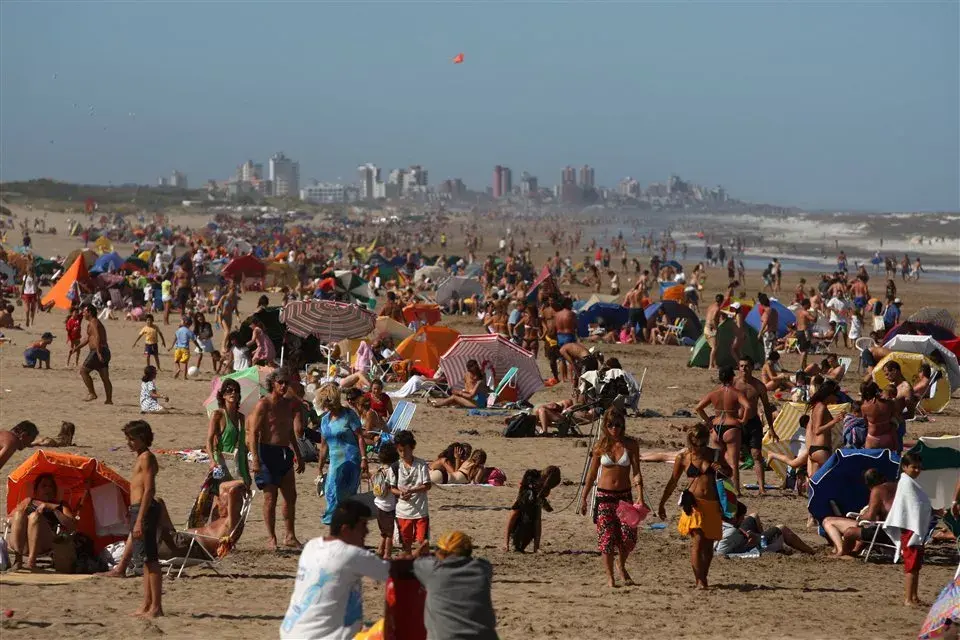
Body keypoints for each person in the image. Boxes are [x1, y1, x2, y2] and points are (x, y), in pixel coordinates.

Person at [279, 501, 390, 640]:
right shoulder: (350, 554)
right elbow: (394, 573)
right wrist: (413, 559)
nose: (366, 532)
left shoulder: (311, 546)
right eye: (363, 526)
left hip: (291, 632)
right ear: (346, 530)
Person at [657, 423, 732, 589]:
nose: (699, 447)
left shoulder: (714, 454)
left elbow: (729, 473)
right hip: (694, 504)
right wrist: (662, 503)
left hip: (712, 504)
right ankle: (700, 580)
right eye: (695, 444)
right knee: (698, 541)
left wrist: (721, 469)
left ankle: (703, 575)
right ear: (690, 441)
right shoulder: (683, 457)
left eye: (702, 443)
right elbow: (672, 482)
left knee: (708, 544)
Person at [579, 409, 645, 587]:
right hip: (604, 496)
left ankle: (621, 565)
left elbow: (637, 472)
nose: (614, 428)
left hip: (624, 495)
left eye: (618, 425)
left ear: (623, 425)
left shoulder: (631, 445)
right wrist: (584, 498)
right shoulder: (601, 446)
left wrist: (640, 496)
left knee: (628, 536)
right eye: (610, 425)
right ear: (605, 426)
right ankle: (610, 577)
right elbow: (591, 475)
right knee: (606, 538)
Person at [247, 368, 305, 550]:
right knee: (270, 498)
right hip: (266, 452)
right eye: (281, 382)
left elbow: (290, 432)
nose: (284, 385)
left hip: (284, 453)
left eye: (286, 382)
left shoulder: (288, 404)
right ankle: (272, 537)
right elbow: (253, 433)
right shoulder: (263, 404)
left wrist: (298, 454)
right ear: (273, 383)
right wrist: (255, 459)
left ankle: (290, 535)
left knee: (290, 497)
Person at [412, 531, 499, 640]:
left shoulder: (432, 571)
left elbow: (412, 559)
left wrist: (423, 552)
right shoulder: (482, 568)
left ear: (439, 552)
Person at [123, 420, 162, 618]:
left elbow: (149, 490)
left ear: (143, 438)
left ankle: (156, 607)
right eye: (128, 439)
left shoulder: (147, 457)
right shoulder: (141, 456)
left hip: (144, 510)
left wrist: (139, 519)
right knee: (145, 562)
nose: (129, 443)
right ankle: (147, 604)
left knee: (151, 561)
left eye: (132, 439)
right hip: (137, 509)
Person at [883, 452, 932, 607]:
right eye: (914, 467)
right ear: (905, 467)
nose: (917, 470)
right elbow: (913, 506)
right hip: (910, 528)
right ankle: (908, 598)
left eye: (919, 468)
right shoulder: (906, 483)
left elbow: (918, 505)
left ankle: (915, 596)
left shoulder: (910, 482)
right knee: (911, 565)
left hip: (914, 527)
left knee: (916, 565)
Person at [316, 383, 366, 525]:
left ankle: (343, 526)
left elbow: (360, 437)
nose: (328, 406)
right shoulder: (325, 420)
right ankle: (338, 524)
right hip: (334, 461)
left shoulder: (349, 415)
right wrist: (320, 467)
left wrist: (364, 458)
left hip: (351, 460)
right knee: (330, 492)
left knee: (344, 495)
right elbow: (324, 445)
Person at [695, 366, 750, 493]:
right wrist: (743, 420)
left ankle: (715, 486)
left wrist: (709, 421)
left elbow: (698, 408)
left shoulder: (714, 393)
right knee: (734, 462)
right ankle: (736, 490)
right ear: (732, 377)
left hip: (716, 427)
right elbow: (747, 406)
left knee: (716, 460)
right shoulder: (736, 393)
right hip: (731, 427)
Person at [6, 473, 76, 570]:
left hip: (45, 543)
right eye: (44, 486)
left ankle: (31, 562)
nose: (48, 489)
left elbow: (71, 526)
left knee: (35, 516)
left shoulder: (61, 505)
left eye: (51, 486)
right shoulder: (28, 501)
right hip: (22, 542)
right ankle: (18, 560)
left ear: (54, 490)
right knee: (19, 514)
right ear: (36, 490)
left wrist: (53, 509)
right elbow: (9, 520)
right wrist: (22, 519)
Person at [735, 355, 777, 494]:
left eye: (746, 366)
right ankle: (736, 488)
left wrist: (771, 428)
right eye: (741, 366)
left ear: (752, 368)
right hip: (737, 423)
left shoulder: (759, 386)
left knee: (757, 455)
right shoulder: (734, 383)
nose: (744, 369)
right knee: (734, 455)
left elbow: (766, 407)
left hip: (753, 422)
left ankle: (761, 488)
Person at [389, 430, 432, 556]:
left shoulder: (421, 464)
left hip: (420, 511)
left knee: (423, 541)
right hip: (403, 511)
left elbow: (427, 485)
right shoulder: (395, 467)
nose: (403, 454)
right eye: (400, 451)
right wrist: (401, 493)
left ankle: (423, 563)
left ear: (412, 447)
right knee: (406, 544)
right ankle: (409, 563)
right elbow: (392, 488)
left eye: (405, 450)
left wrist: (412, 490)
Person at [714, 503, 815, 556]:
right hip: (746, 547)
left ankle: (765, 543)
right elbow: (721, 554)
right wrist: (757, 539)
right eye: (741, 517)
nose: (743, 519)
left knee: (753, 516)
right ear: (734, 518)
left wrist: (744, 533)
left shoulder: (719, 522)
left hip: (738, 538)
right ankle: (811, 552)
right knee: (782, 528)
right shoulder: (730, 532)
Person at [206, 377, 251, 486]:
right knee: (219, 494)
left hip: (239, 462)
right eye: (229, 390)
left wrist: (247, 472)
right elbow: (209, 441)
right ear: (223, 395)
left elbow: (242, 446)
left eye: (236, 391)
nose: (233, 393)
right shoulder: (218, 415)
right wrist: (212, 460)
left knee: (240, 494)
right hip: (220, 461)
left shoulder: (241, 417)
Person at [72, 303, 113, 403]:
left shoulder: (93, 322)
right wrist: (76, 348)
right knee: (105, 377)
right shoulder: (93, 323)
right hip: (104, 350)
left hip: (97, 351)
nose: (82, 313)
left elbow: (97, 336)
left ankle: (92, 393)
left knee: (83, 371)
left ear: (89, 312)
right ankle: (109, 400)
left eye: (84, 311)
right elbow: (88, 339)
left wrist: (98, 352)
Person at [372, 443, 399, 559]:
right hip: (389, 506)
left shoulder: (379, 470)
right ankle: (387, 554)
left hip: (378, 504)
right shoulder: (391, 471)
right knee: (389, 534)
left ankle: (379, 550)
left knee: (383, 532)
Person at [860, 380, 899, 450]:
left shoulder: (864, 407)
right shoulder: (890, 404)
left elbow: (866, 423)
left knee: (871, 460)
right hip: (887, 436)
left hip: (872, 438)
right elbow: (894, 418)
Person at [704, 294, 724, 369]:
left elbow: (708, 316)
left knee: (714, 347)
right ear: (722, 301)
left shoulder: (710, 306)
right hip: (711, 328)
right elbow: (713, 319)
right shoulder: (717, 308)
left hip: (706, 327)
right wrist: (716, 328)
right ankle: (710, 365)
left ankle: (715, 364)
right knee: (714, 348)